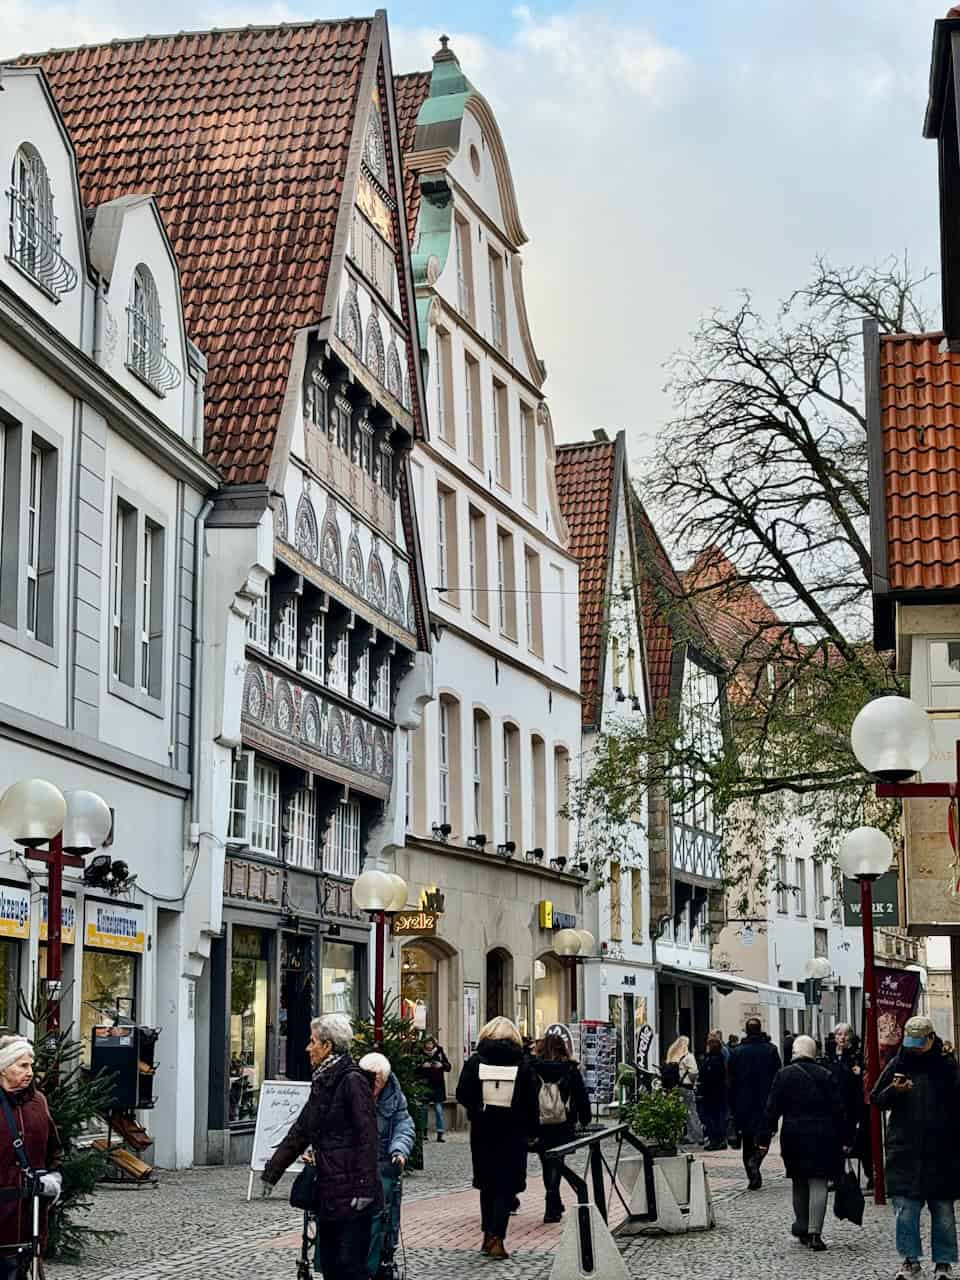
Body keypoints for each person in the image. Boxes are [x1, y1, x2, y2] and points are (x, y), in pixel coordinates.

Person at [262, 1014, 381, 1280]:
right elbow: (301, 1131)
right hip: (329, 1191)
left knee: (350, 1269)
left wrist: (364, 1187)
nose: (308, 1048)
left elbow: (368, 1137)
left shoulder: (351, 1081)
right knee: (330, 1267)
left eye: (312, 1041)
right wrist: (272, 1171)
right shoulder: (324, 1080)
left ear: (327, 1046)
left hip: (352, 1195)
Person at [870, 1015, 960, 1280]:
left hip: (940, 1151)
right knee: (905, 1211)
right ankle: (910, 1262)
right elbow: (876, 1098)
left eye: (919, 1043)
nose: (915, 1048)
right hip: (905, 1151)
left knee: (942, 1210)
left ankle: (943, 1263)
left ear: (931, 1039)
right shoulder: (899, 1062)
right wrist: (895, 1091)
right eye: (911, 1043)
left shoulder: (946, 1064)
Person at [456, 1016, 539, 1261]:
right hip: (513, 1133)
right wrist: (532, 1131)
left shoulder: (475, 1061)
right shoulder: (523, 1064)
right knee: (506, 1185)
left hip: (483, 1131)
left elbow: (462, 1093)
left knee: (487, 1184)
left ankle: (487, 1236)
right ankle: (497, 1237)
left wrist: (477, 1109)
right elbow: (531, 1102)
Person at [756, 1034, 846, 1252]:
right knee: (818, 1182)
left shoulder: (783, 1075)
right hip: (823, 1134)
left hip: (793, 1134)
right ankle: (816, 1233)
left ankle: (803, 1226)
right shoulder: (826, 1074)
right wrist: (844, 1138)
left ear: (794, 1052)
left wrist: (763, 1139)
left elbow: (771, 1110)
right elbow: (838, 1110)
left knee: (798, 1180)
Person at [0, 1035, 63, 1279]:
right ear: (4, 1068)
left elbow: (54, 1149)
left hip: (30, 1215)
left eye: (31, 1065)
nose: (30, 1072)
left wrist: (54, 1178)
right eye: (22, 1065)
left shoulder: (38, 1102)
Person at [358, 1053, 415, 1280]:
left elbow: (404, 1125)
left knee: (383, 1207)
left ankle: (380, 1256)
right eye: (371, 1080)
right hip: (352, 1165)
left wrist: (399, 1151)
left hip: (381, 1163)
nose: (374, 1086)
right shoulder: (349, 1092)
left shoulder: (394, 1096)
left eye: (379, 1081)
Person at [531, 1033, 591, 1223]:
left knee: (546, 1162)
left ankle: (553, 1201)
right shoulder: (570, 1069)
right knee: (557, 1161)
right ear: (562, 1048)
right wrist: (585, 1118)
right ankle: (552, 1201)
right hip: (563, 1123)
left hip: (539, 1123)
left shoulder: (533, 1068)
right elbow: (581, 1095)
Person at [728, 1017, 781, 1190]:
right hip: (766, 1102)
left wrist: (732, 1104)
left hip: (743, 1103)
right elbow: (777, 1077)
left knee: (748, 1141)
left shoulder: (736, 1052)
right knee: (765, 1138)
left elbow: (730, 1080)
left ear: (746, 1030)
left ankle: (752, 1175)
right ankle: (756, 1160)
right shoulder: (771, 1050)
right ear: (760, 1029)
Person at [830, 1022, 873, 1190]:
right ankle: (837, 1176)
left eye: (845, 1034)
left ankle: (871, 1174)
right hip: (838, 1104)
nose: (842, 1038)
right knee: (836, 1142)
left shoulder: (858, 1055)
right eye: (839, 1035)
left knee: (862, 1142)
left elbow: (864, 1077)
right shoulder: (831, 1055)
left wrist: (859, 1073)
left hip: (857, 1104)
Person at [663, 1035, 701, 1144]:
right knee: (691, 1112)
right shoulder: (688, 1057)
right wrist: (694, 1083)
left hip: (677, 1087)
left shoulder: (673, 1056)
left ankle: (681, 1135)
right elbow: (694, 1072)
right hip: (687, 1087)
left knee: (681, 1113)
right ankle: (696, 1136)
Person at [416, 1036, 451, 1142]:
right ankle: (424, 1133)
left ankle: (440, 1133)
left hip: (438, 1085)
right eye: (427, 1044)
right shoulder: (420, 1052)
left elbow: (448, 1066)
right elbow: (414, 1068)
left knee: (439, 1109)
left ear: (434, 1044)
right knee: (424, 1110)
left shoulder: (439, 1052)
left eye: (431, 1043)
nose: (429, 1046)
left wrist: (441, 1065)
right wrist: (422, 1066)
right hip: (425, 1085)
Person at [699, 1036, 729, 1151]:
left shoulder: (712, 1060)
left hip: (712, 1094)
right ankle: (720, 1140)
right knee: (719, 1117)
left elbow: (706, 1076)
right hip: (719, 1093)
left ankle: (715, 1141)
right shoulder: (720, 1059)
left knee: (713, 1118)